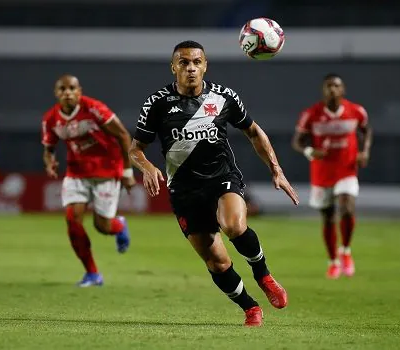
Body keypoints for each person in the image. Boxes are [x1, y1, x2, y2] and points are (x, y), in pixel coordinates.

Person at [129, 41, 299, 327]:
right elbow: (135, 149)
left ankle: (263, 275)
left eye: (197, 61)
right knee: (217, 262)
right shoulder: (156, 104)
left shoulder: (224, 97)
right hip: (184, 191)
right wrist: (146, 166)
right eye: (183, 63)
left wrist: (276, 169)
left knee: (233, 225)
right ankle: (250, 307)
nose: (191, 68)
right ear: (173, 68)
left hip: (222, 178)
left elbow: (254, 132)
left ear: (205, 65)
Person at [42, 75, 135, 287]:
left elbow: (122, 135)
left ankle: (118, 225)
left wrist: (127, 172)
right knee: (72, 220)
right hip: (76, 173)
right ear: (56, 94)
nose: (67, 92)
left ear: (79, 91)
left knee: (102, 226)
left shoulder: (94, 109)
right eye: (62, 89)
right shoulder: (50, 119)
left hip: (106, 171)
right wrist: (49, 162)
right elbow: (48, 149)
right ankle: (92, 274)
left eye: (72, 88)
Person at [291, 73, 372, 279]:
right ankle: (333, 260)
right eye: (329, 86)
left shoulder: (356, 111)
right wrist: (310, 151)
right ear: (323, 90)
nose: (333, 89)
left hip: (347, 169)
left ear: (343, 90)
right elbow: (297, 141)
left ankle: (345, 251)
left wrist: (365, 151)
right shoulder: (311, 114)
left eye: (337, 86)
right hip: (322, 172)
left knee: (346, 207)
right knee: (327, 217)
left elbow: (366, 130)